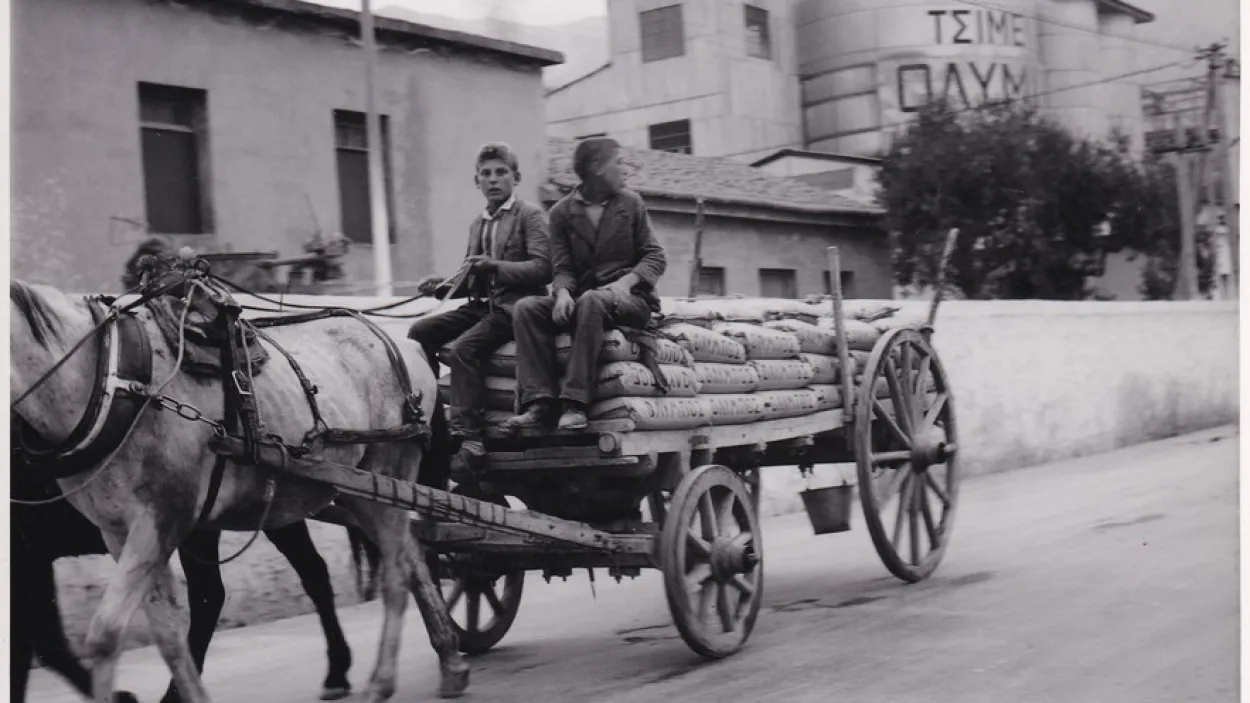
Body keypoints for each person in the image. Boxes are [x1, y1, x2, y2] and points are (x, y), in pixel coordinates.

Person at [504, 137, 667, 432]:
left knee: (592, 299)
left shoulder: (631, 204)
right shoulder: (561, 213)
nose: (625, 170)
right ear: (596, 168)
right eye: (618, 162)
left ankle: (575, 404)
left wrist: (627, 282)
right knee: (527, 308)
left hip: (631, 301)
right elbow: (563, 267)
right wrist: (563, 292)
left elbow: (655, 256)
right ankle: (539, 402)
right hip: (585, 301)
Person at [407, 142, 551, 464]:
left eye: (501, 172)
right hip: (483, 306)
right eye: (485, 174)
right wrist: (440, 287)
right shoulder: (478, 223)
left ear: (516, 177)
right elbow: (472, 279)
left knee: (464, 349)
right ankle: (429, 417)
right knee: (420, 333)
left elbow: (544, 268)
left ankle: (469, 436)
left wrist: (495, 267)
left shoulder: (530, 216)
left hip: (518, 307)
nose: (493, 179)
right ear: (477, 182)